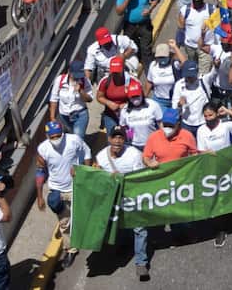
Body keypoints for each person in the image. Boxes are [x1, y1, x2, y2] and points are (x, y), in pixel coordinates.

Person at [35, 120, 92, 270]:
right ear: (47, 136)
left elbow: (87, 153)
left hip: (77, 187)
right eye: (52, 137)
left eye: (58, 136)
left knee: (82, 215)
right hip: (57, 190)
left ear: (63, 133)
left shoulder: (74, 140)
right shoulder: (43, 149)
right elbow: (40, 171)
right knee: (64, 223)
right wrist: (40, 196)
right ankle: (71, 249)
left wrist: (83, 170)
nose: (56, 139)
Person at [95, 127, 151, 278]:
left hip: (132, 197)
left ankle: (141, 262)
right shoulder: (101, 157)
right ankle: (123, 246)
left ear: (125, 140)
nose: (117, 141)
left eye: (121, 138)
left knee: (140, 229)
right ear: (109, 139)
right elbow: (97, 180)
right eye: (114, 137)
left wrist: (121, 178)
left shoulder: (134, 154)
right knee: (118, 226)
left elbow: (139, 178)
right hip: (114, 200)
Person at [114, 0, 157, 69]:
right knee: (133, 47)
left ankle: (148, 68)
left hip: (144, 24)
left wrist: (150, 9)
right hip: (130, 25)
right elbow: (119, 12)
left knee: (146, 47)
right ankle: (137, 62)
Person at [96, 56, 141, 135]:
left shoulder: (132, 81)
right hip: (111, 114)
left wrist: (127, 105)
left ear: (123, 69)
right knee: (111, 138)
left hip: (129, 114)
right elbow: (99, 97)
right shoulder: (105, 81)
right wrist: (109, 103)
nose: (115, 74)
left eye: (117, 72)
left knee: (129, 137)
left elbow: (140, 98)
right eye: (114, 72)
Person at [48, 61, 93, 136]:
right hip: (64, 116)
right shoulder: (60, 80)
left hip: (80, 115)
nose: (77, 77)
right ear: (69, 72)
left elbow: (89, 99)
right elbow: (54, 99)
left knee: (77, 138)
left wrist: (80, 91)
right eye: (75, 75)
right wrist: (52, 117)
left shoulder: (85, 81)